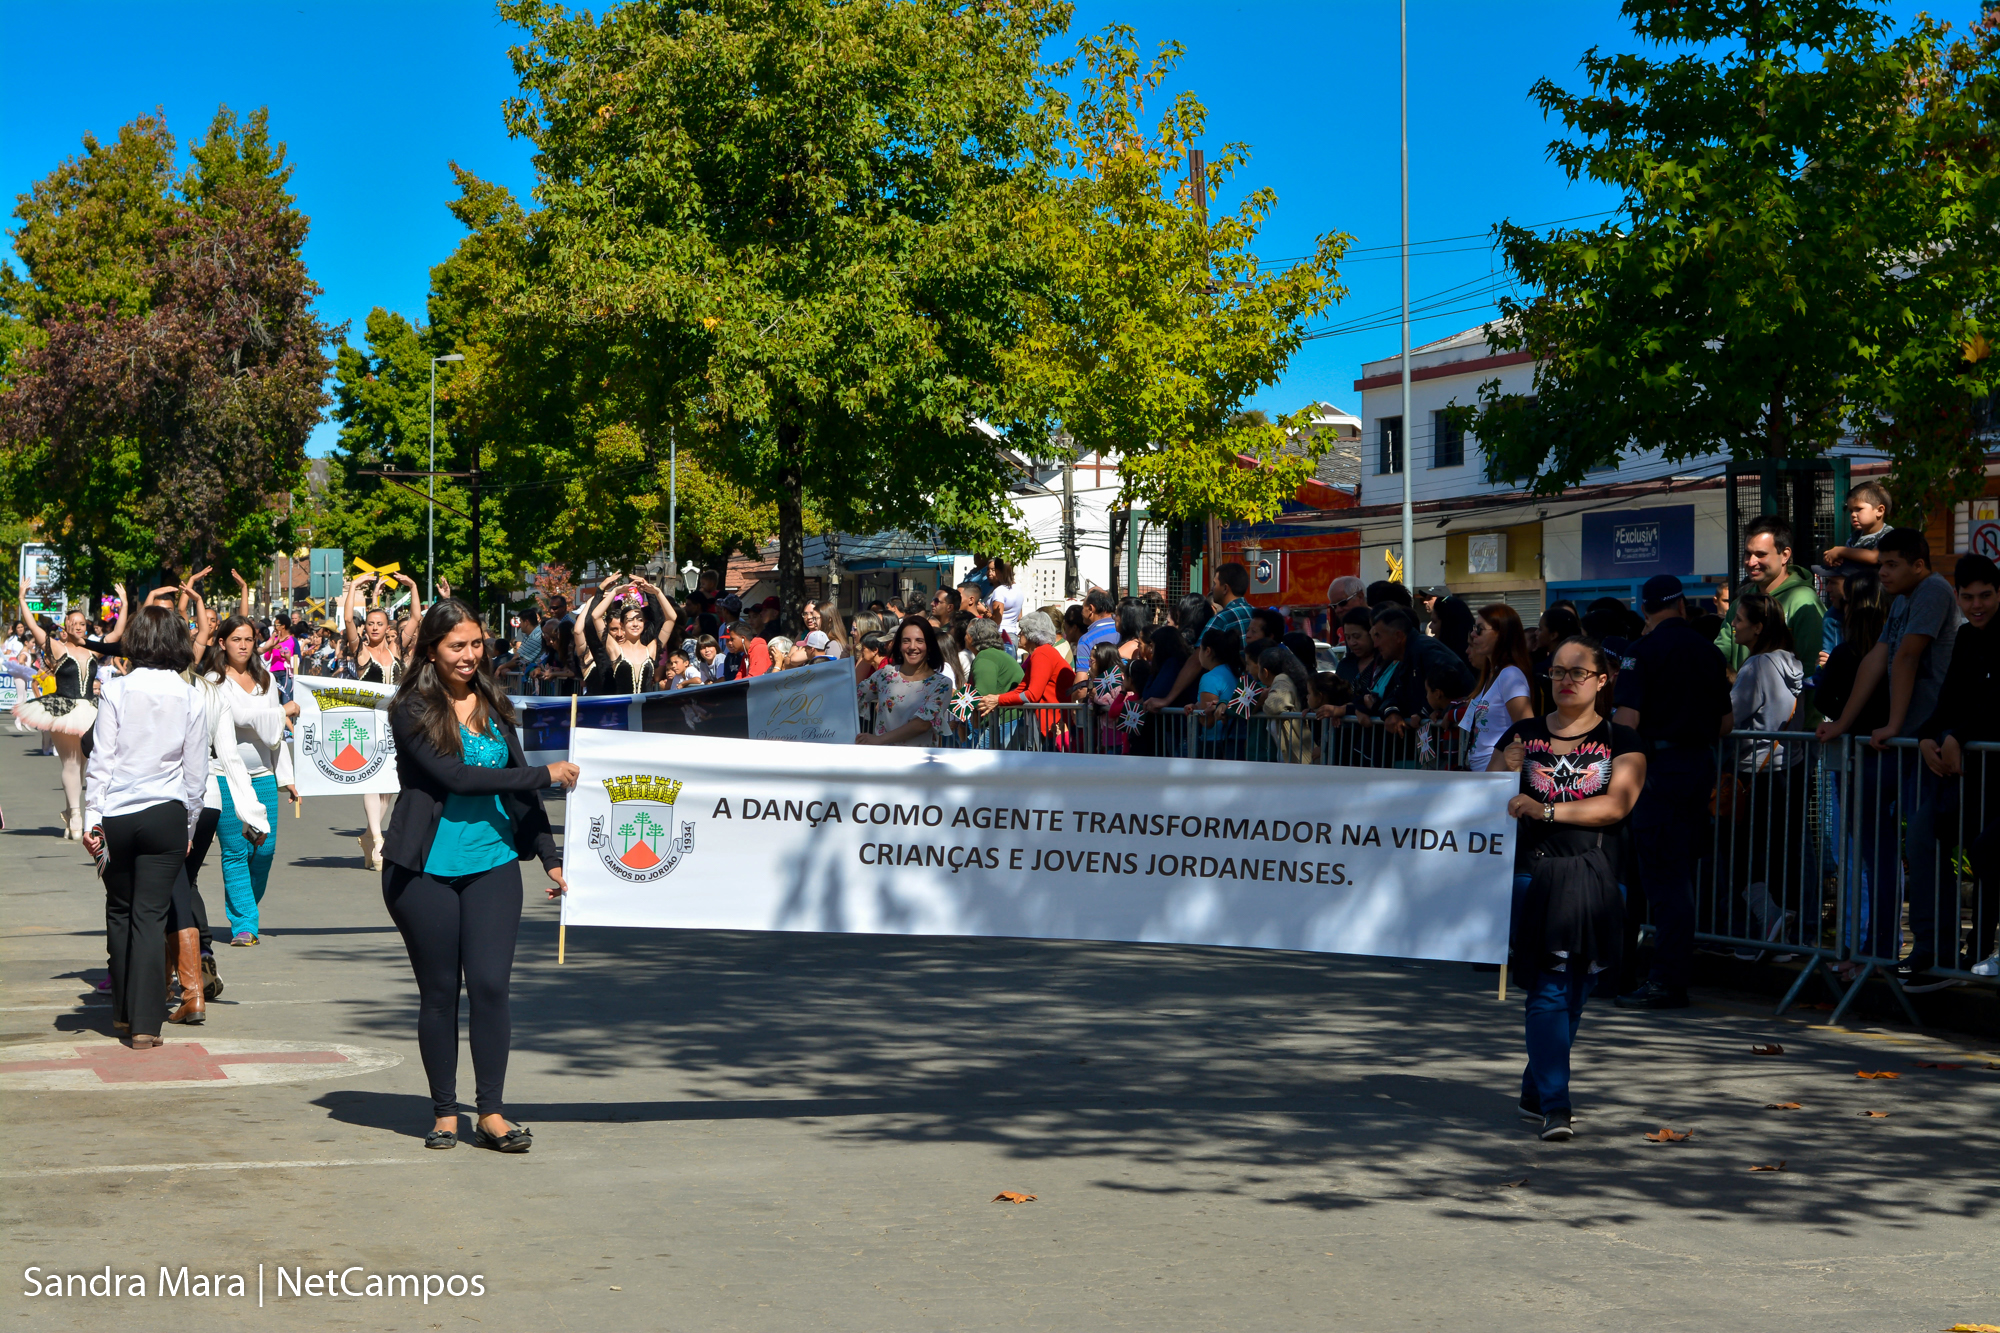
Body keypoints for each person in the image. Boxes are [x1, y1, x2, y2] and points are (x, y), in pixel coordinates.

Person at [382, 599, 577, 1151]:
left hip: (492, 864)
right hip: (423, 871)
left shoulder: (495, 701)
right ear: (431, 651)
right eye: (456, 646)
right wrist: (545, 774)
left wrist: (550, 856)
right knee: (441, 993)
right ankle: (446, 1113)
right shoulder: (411, 708)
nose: (470, 655)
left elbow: (516, 784)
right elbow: (458, 777)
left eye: (476, 643)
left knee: (491, 987)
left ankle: (490, 1112)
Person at [1490, 636, 1646, 1141]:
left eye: (1578, 672)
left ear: (1602, 680)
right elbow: (1483, 800)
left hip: (1599, 875)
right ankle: (1556, 1104)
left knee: (1577, 990)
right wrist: (1503, 769)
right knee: (1550, 988)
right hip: (1532, 874)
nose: (1566, 681)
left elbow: (1616, 805)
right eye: (1557, 672)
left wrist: (1547, 809)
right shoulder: (1523, 733)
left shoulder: (1622, 739)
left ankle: (1534, 1089)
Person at [1814, 528, 1962, 984]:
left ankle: (1936, 953)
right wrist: (1843, 723)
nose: (1883, 573)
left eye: (1892, 565)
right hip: (1909, 741)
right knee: (1879, 849)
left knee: (1923, 846)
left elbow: (1908, 657)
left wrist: (1895, 725)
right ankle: (1881, 950)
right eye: (1881, 565)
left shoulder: (1933, 591)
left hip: (1929, 739)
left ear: (1919, 565)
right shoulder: (1900, 601)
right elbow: (1877, 660)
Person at [80, 605, 207, 1049]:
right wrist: (188, 826)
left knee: (119, 910)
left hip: (117, 811)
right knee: (150, 916)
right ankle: (146, 1024)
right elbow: (196, 773)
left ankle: (121, 1013)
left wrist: (91, 818)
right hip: (166, 811)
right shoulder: (191, 695)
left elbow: (102, 758)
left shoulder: (116, 689)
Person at [1608, 575, 1734, 1009]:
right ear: (1681, 605)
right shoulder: (1709, 651)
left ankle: (1666, 981)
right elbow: (1725, 723)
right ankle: (1669, 976)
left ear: (1645, 609)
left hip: (1657, 771)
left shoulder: (1641, 652)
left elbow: (1626, 721)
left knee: (1664, 880)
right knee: (1679, 874)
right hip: (1697, 768)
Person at [1918, 553, 2000, 977]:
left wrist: (1957, 736)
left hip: (1988, 769)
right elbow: (1950, 698)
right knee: (1977, 854)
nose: (1977, 605)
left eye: (1985, 595)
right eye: (1968, 597)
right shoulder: (1966, 636)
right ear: (1957, 597)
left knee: (1986, 852)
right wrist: (1926, 736)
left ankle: (1981, 948)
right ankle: (1977, 948)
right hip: (1979, 775)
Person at [203, 614, 298, 948]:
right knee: (234, 851)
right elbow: (239, 717)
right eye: (236, 640)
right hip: (224, 776)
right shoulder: (213, 681)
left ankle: (246, 906)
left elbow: (275, 737)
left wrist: (287, 778)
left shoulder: (266, 679)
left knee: (264, 849)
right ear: (222, 643)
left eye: (248, 639)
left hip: (263, 777)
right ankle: (244, 924)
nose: (243, 646)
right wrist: (283, 711)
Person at [1724, 588, 1806, 953]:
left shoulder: (1757, 666)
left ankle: (1769, 921)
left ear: (1758, 627)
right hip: (1789, 769)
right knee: (1778, 854)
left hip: (1754, 773)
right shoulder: (1793, 663)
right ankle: (1782, 933)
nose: (1734, 625)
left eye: (1739, 619)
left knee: (1744, 855)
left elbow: (1730, 717)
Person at [15, 581, 128, 837]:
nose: (78, 626)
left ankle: (71, 814)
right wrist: (22, 599)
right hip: (62, 708)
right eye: (74, 623)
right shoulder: (58, 647)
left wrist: (124, 603)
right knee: (71, 762)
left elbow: (117, 633)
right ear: (66, 626)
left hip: (90, 710)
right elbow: (34, 627)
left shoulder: (93, 649)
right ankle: (77, 817)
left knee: (84, 764)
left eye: (82, 623)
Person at [343, 573, 423, 869]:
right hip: (369, 722)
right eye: (370, 623)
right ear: (365, 628)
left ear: (388, 627)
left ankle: (368, 835)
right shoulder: (360, 650)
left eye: (379, 624)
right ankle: (378, 840)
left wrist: (413, 586)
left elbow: (416, 617)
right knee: (371, 778)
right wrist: (354, 587)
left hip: (397, 722)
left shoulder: (396, 648)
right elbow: (348, 620)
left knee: (389, 783)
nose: (374, 627)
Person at [1715, 516, 1823, 695]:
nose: (1751, 562)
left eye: (1761, 554)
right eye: (1748, 554)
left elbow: (1812, 668)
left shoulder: (1804, 603)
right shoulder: (1740, 603)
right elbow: (1719, 654)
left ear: (1785, 555)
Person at [856, 617, 954, 747]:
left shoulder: (941, 684)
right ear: (899, 645)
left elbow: (922, 724)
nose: (912, 647)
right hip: (883, 756)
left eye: (919, 641)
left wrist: (879, 739)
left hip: (919, 758)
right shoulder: (885, 674)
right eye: (906, 641)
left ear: (930, 646)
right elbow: (853, 695)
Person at [1462, 604, 1535, 774]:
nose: (1473, 634)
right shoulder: (1491, 675)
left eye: (1479, 629)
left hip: (1497, 777)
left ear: (1501, 634)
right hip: (1481, 775)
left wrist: (1498, 769)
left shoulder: (1510, 675)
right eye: (1474, 628)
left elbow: (1526, 728)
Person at [965, 619, 1024, 747]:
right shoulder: (994, 655)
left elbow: (981, 695)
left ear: (974, 637)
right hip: (1006, 719)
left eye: (967, 633)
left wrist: (952, 696)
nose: (964, 637)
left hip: (1003, 720)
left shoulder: (985, 657)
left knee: (982, 758)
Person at [1253, 644, 1314, 764]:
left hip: (1296, 761)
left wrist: (1263, 698)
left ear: (1265, 672)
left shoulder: (1281, 680)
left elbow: (1273, 707)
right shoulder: (1286, 679)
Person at [1192, 626, 1246, 761]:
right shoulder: (1237, 671)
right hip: (1240, 737)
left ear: (1207, 651)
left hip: (1216, 742)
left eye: (1200, 649)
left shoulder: (1210, 678)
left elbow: (1208, 721)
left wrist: (1197, 712)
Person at [1820, 481, 1891, 573]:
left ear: (1880, 510)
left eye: (1859, 509)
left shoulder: (1888, 535)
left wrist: (1841, 551)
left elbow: (1875, 557)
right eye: (1851, 511)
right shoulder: (1855, 536)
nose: (1853, 514)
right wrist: (1835, 559)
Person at [988, 560, 1025, 643]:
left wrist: (984, 611)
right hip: (1013, 636)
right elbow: (1019, 617)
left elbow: (997, 620)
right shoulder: (1018, 589)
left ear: (997, 571)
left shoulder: (999, 591)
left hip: (1000, 636)